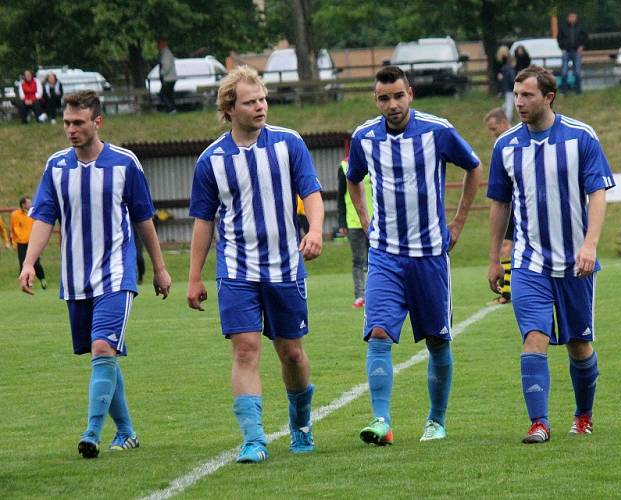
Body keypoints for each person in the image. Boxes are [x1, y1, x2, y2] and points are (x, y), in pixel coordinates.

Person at [19, 90, 172, 459]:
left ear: (97, 122)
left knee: (103, 347)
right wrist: (29, 263)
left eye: (78, 123)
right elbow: (43, 217)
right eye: (67, 123)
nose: (71, 130)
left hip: (116, 274)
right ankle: (128, 432)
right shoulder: (56, 166)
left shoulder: (124, 163)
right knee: (104, 354)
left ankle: (91, 432)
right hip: (75, 279)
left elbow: (143, 219)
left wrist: (160, 267)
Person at [186, 66, 324, 463]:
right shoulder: (211, 160)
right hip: (237, 271)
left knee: (292, 353)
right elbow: (203, 222)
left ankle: (300, 425)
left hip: (285, 268)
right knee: (245, 350)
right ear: (230, 109)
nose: (260, 106)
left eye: (262, 99)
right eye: (250, 101)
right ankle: (253, 439)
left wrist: (314, 230)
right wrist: (194, 277)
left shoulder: (288, 144)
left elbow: (311, 192)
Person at [347, 65, 482, 445]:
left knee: (438, 341)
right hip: (386, 256)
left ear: (411, 95)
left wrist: (457, 222)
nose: (392, 105)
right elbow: (353, 179)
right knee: (377, 334)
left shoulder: (437, 131)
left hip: (429, 256)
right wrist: (364, 218)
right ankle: (381, 421)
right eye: (384, 98)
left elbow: (474, 167)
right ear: (376, 100)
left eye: (398, 96)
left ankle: (436, 421)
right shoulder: (364, 137)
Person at [487, 66, 614, 444]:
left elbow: (598, 194)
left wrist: (590, 244)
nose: (519, 102)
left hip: (575, 262)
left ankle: (583, 415)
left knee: (578, 344)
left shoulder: (580, 138)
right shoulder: (506, 146)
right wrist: (495, 258)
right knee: (534, 337)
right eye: (516, 94)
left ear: (549, 97)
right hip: (529, 262)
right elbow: (499, 204)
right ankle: (538, 422)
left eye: (527, 95)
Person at [482, 108, 513, 305]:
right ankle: (508, 292)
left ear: (503, 123)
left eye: (494, 128)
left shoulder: (512, 141)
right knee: (506, 248)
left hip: (515, 204)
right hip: (511, 202)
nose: (493, 133)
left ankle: (507, 294)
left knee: (505, 248)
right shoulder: (504, 143)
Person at [338, 157, 372, 308]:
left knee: (376, 260)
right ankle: (360, 296)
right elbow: (340, 196)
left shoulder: (375, 160)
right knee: (358, 260)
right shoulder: (344, 167)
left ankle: (375, 293)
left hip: (376, 222)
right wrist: (342, 222)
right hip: (354, 222)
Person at [11, 196, 47, 289]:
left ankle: (42, 279)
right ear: (23, 205)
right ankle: (27, 283)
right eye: (29, 203)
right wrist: (15, 242)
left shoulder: (34, 214)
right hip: (21, 243)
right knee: (23, 262)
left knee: (36, 262)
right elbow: (14, 229)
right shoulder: (15, 215)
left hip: (32, 242)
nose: (31, 204)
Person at [557, 11, 588, 94]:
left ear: (576, 18)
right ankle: (563, 90)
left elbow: (585, 37)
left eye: (574, 17)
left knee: (577, 71)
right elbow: (559, 38)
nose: (572, 19)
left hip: (577, 51)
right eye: (571, 17)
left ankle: (578, 90)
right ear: (568, 18)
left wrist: (582, 46)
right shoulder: (563, 27)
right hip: (566, 51)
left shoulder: (581, 27)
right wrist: (562, 48)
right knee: (564, 71)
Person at [496, 46, 516, 120]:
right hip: (510, 88)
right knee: (510, 103)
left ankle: (501, 111)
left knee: (509, 101)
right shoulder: (510, 69)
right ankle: (508, 118)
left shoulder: (507, 68)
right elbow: (512, 80)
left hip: (507, 87)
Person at [158, 39, 177, 113]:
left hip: (168, 78)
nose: (157, 47)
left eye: (158, 45)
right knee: (169, 95)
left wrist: (161, 73)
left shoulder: (165, 53)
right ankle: (173, 109)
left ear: (162, 45)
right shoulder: (168, 52)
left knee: (162, 95)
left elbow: (166, 66)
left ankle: (170, 109)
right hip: (172, 77)